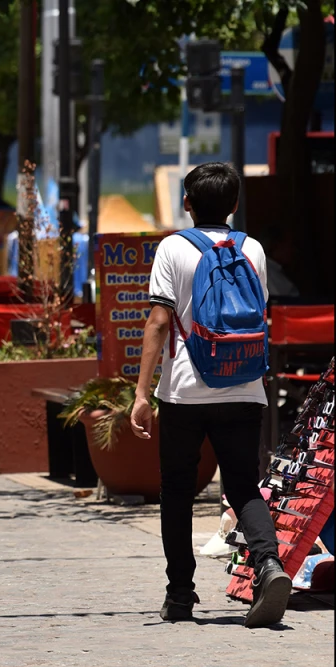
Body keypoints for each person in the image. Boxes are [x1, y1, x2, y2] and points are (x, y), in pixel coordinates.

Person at [132, 161, 290, 628]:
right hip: (244, 385)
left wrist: (142, 393)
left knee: (177, 492)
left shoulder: (173, 248)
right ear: (235, 205)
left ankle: (180, 595)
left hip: (185, 389)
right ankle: (269, 564)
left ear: (187, 202)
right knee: (243, 486)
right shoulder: (254, 249)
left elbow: (160, 322)